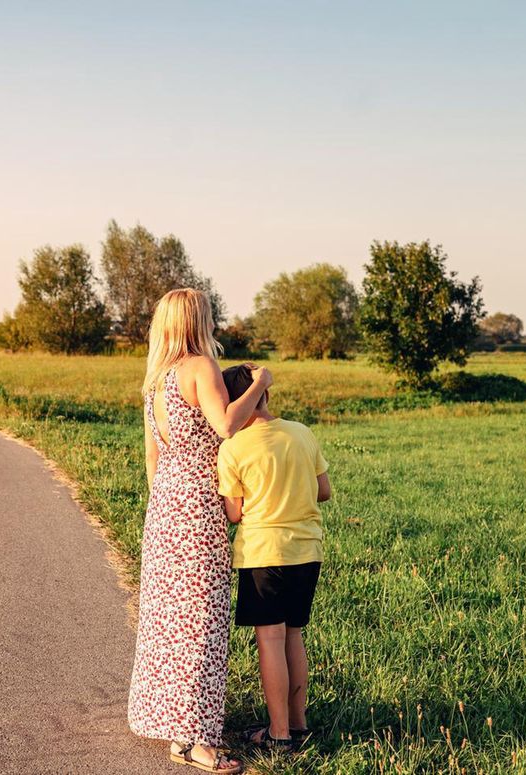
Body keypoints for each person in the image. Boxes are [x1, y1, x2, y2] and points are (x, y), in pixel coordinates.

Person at [127, 288, 271, 774]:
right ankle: (196, 743)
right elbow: (227, 424)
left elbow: (152, 458)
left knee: (169, 620)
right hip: (198, 503)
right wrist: (261, 382)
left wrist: (165, 504)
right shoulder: (200, 368)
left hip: (165, 505)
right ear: (198, 321)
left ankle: (175, 725)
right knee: (201, 622)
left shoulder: (155, 382)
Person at [215, 364, 332, 755]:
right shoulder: (302, 432)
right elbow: (324, 491)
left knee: (270, 640)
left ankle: (278, 734)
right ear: (264, 395)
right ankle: (299, 725)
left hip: (263, 554)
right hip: (306, 550)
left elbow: (234, 513)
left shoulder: (232, 449)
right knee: (295, 636)